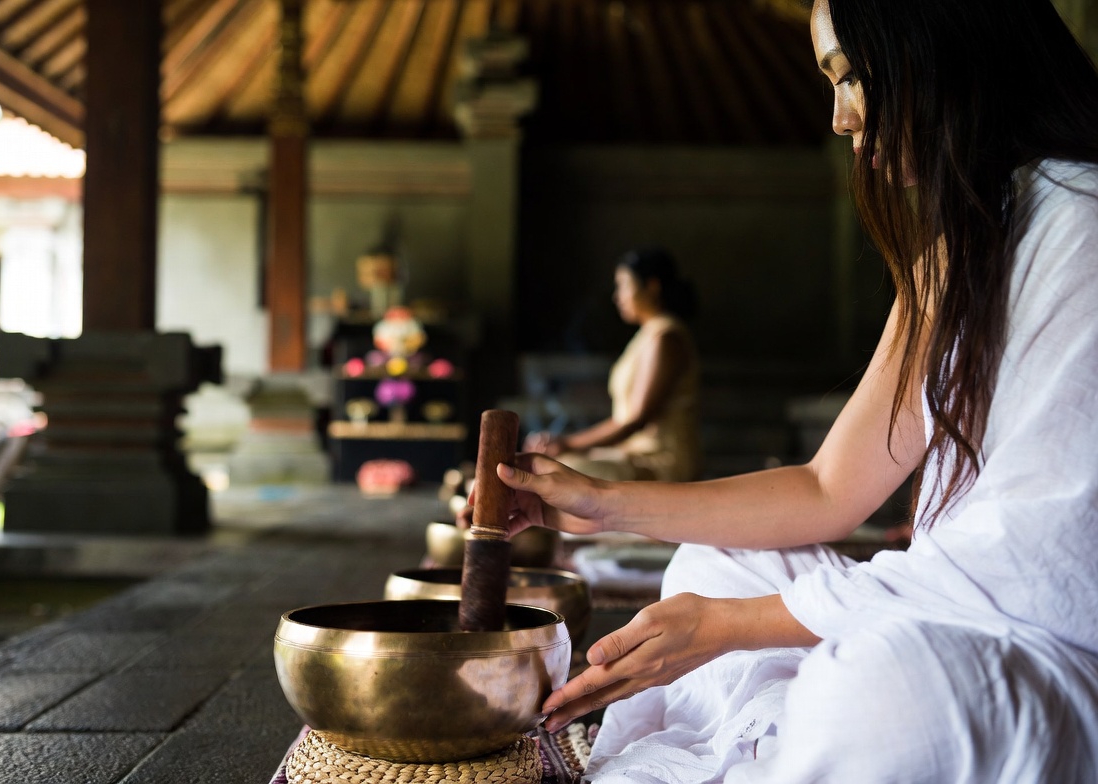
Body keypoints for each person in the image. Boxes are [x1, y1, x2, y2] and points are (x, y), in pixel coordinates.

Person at [460, 0, 1098, 780]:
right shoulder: (954, 256)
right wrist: (600, 502)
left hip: (1036, 645)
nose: (839, 119)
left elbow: (1039, 570)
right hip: (945, 610)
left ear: (943, 49)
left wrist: (730, 628)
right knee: (712, 562)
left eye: (850, 76)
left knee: (881, 694)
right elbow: (828, 488)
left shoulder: (1084, 224)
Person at [523, 247, 702, 482]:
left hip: (659, 462)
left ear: (652, 286)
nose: (617, 296)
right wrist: (566, 446)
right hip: (631, 454)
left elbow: (635, 419)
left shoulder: (666, 338)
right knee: (546, 466)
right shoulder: (648, 336)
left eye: (624, 285)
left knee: (554, 475)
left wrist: (568, 443)